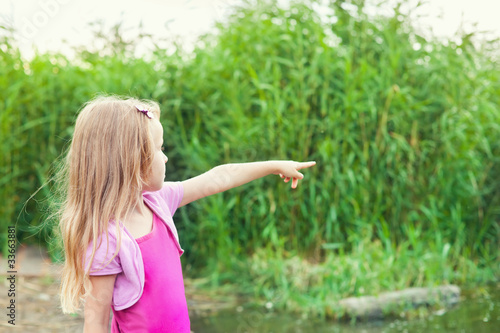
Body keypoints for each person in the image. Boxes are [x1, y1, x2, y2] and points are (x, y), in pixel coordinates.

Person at [57, 95, 316, 332]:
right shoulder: (106, 239)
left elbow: (218, 178)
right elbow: (96, 321)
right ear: (131, 160)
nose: (166, 158)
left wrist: (273, 166)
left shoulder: (157, 203)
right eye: (159, 149)